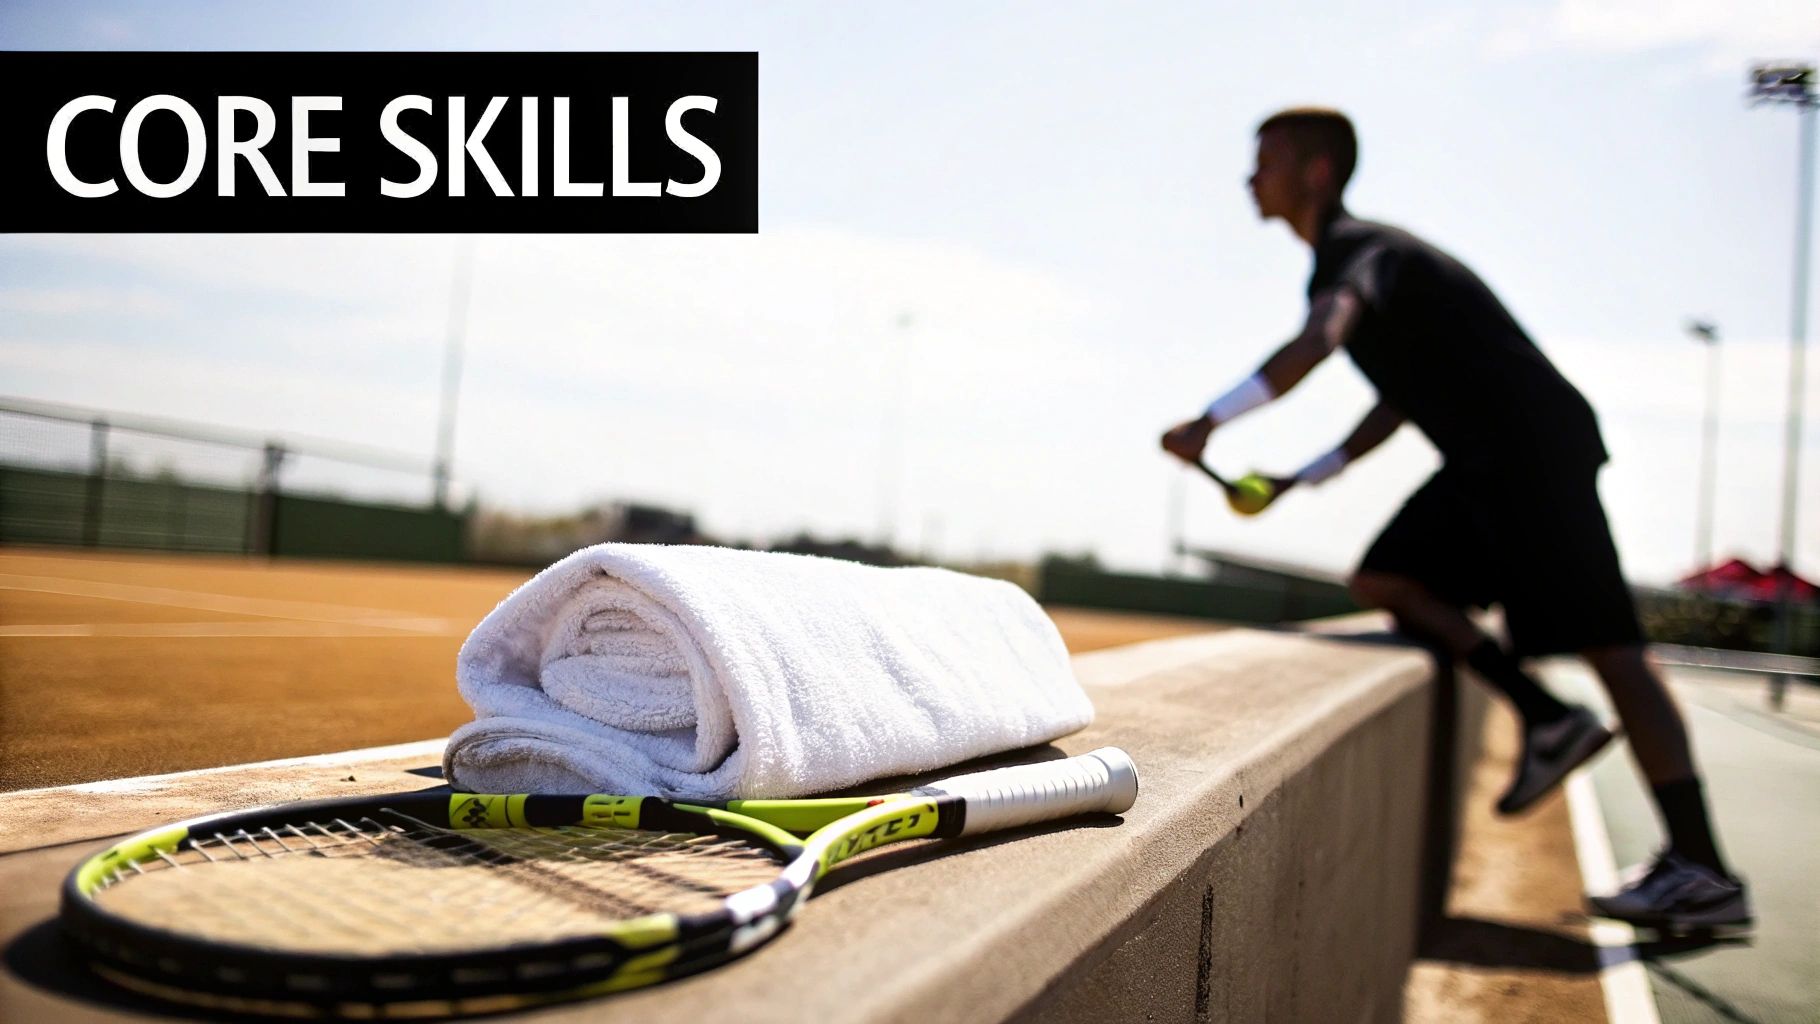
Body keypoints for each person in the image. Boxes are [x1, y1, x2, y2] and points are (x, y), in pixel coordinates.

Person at [1161, 107, 1748, 932]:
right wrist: (1306, 475)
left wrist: (1209, 422)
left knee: (1614, 650)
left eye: (1265, 161)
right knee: (1385, 577)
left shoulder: (1360, 253)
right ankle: (1549, 719)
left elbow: (1321, 338)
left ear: (1317, 172)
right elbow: (1400, 395)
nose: (1249, 178)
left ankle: (1702, 866)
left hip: (1530, 454)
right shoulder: (1372, 262)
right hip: (1488, 463)